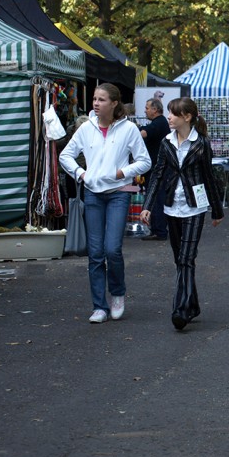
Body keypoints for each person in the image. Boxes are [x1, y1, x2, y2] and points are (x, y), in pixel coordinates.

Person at [59, 83, 151, 324]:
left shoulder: (128, 129)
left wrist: (122, 173)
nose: (96, 103)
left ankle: (118, 294)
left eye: (101, 99)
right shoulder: (86, 128)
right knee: (96, 253)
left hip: (119, 193)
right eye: (94, 99)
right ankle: (99, 306)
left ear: (114, 103)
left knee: (112, 249)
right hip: (93, 194)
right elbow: (65, 155)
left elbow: (144, 161)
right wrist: (81, 173)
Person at [139, 97, 224, 330]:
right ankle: (192, 304)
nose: (169, 117)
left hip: (195, 206)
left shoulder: (201, 143)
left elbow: (209, 175)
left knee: (187, 258)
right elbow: (157, 174)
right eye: (169, 113)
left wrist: (217, 210)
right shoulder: (166, 142)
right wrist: (147, 206)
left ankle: (181, 310)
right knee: (180, 259)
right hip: (170, 206)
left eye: (174, 114)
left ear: (187, 117)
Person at [139, 98, 171, 240]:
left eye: (147, 107)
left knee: (156, 199)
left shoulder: (159, 123)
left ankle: (159, 230)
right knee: (155, 198)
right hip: (155, 167)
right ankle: (157, 229)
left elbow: (143, 134)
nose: (145, 110)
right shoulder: (158, 123)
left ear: (155, 109)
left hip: (157, 169)